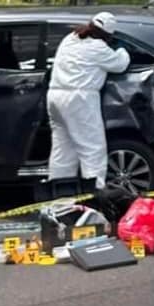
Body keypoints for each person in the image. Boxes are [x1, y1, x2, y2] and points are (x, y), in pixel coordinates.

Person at [46, 11, 130, 189]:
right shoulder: (99, 48)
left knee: (63, 150)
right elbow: (120, 64)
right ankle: (95, 195)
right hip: (79, 99)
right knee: (92, 150)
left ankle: (60, 198)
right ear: (107, 35)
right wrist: (122, 49)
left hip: (55, 96)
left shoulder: (70, 38)